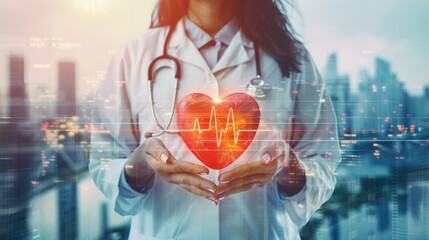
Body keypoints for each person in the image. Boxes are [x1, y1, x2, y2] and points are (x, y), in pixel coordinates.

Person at [89, 0, 341, 239]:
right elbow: (104, 162)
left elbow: (323, 163)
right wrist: (142, 163)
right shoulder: (135, 54)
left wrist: (288, 167)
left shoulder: (291, 56)